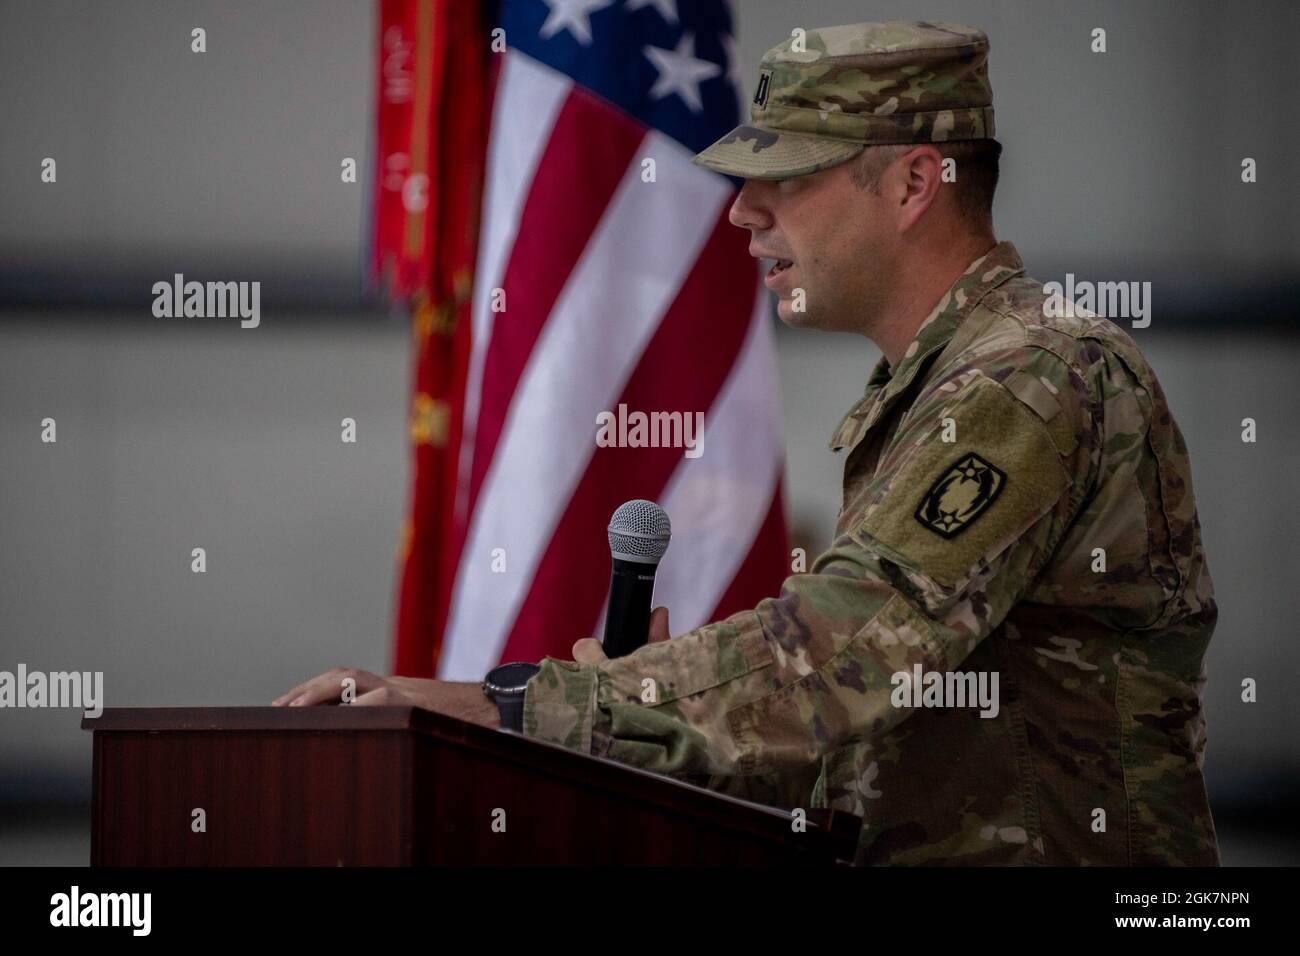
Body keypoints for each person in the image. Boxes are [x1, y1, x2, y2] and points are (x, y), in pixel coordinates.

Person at [276, 21, 1219, 866]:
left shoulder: (1030, 377)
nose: (740, 212)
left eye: (790, 177)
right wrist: (642, 708)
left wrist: (505, 703)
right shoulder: (945, 385)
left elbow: (839, 660)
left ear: (915, 183)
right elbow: (865, 737)